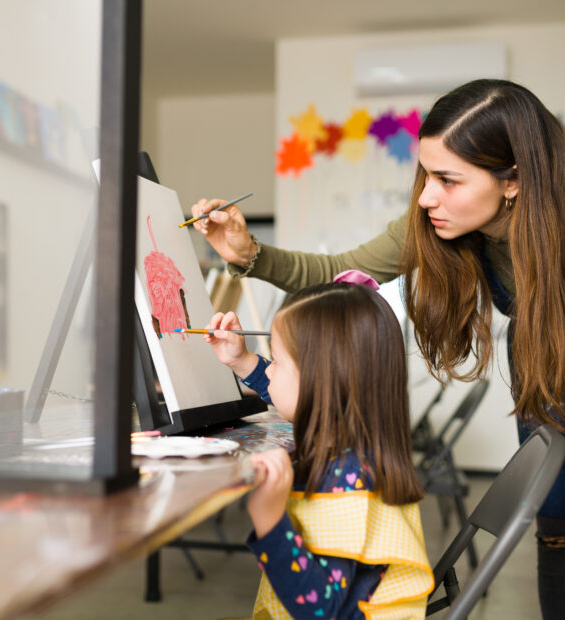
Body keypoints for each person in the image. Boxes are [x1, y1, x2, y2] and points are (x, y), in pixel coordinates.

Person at [191, 78, 565, 619]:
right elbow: (338, 273)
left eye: (448, 179)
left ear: (515, 181)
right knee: (556, 532)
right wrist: (246, 251)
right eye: (425, 174)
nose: (427, 196)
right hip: (542, 365)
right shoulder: (439, 222)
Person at [205, 277, 433, 619]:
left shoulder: (347, 479)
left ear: (321, 382)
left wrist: (269, 518)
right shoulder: (354, 439)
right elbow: (290, 395)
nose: (269, 374)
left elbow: (319, 610)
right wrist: (243, 361)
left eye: (276, 362)